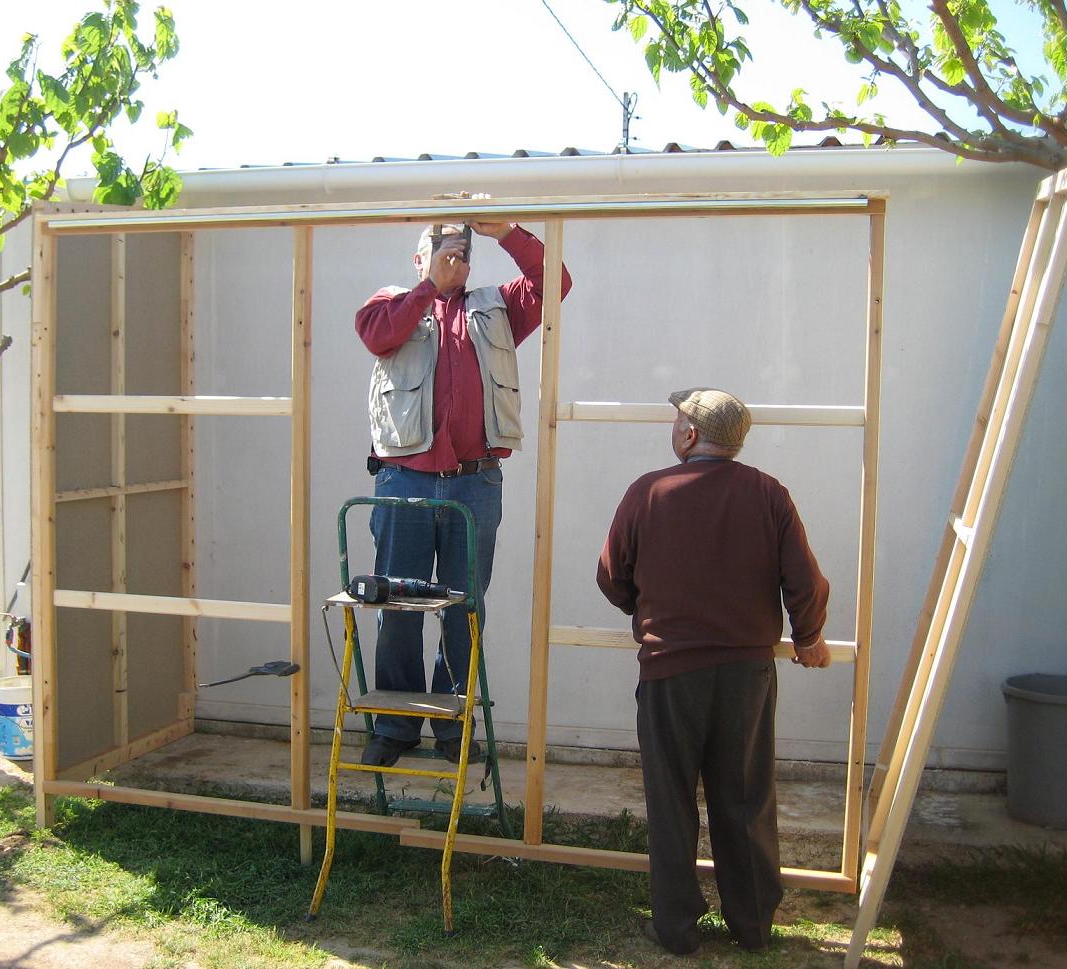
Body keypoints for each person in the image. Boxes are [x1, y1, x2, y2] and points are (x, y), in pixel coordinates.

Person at [596, 387, 832, 955]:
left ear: (692, 435)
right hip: (746, 675)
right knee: (746, 797)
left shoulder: (649, 492)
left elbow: (610, 576)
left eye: (678, 420)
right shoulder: (769, 494)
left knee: (671, 800)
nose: (673, 427)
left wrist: (648, 609)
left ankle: (676, 929)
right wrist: (808, 638)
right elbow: (806, 582)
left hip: (670, 671)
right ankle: (751, 925)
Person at [355, 218, 571, 767]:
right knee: (397, 606)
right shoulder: (392, 301)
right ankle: (394, 728)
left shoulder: (497, 305)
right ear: (416, 257)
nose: (455, 256)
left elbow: (556, 283)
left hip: (475, 483)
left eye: (462, 249)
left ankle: (453, 731)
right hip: (404, 481)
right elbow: (378, 336)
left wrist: (508, 233)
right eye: (441, 246)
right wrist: (429, 286)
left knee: (463, 609)